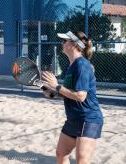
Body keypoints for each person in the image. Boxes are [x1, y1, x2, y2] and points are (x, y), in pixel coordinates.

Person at [42, 31, 103, 164]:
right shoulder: (71, 66)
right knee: (61, 154)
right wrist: (52, 92)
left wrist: (57, 86)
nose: (62, 43)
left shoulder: (82, 65)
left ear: (75, 44)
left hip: (88, 119)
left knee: (82, 160)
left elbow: (80, 96)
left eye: (65, 41)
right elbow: (69, 93)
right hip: (74, 119)